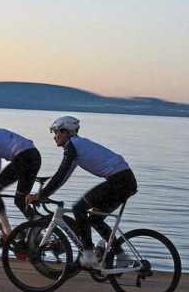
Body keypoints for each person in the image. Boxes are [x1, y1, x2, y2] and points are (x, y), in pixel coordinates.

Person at [26, 115, 138, 269]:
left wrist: (41, 195)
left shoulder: (73, 146)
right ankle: (121, 256)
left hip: (119, 181)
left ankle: (88, 255)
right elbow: (63, 177)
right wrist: (45, 194)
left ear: (66, 132)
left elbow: (60, 175)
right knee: (95, 219)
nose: (54, 137)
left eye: (56, 132)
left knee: (79, 208)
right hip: (125, 180)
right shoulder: (77, 146)